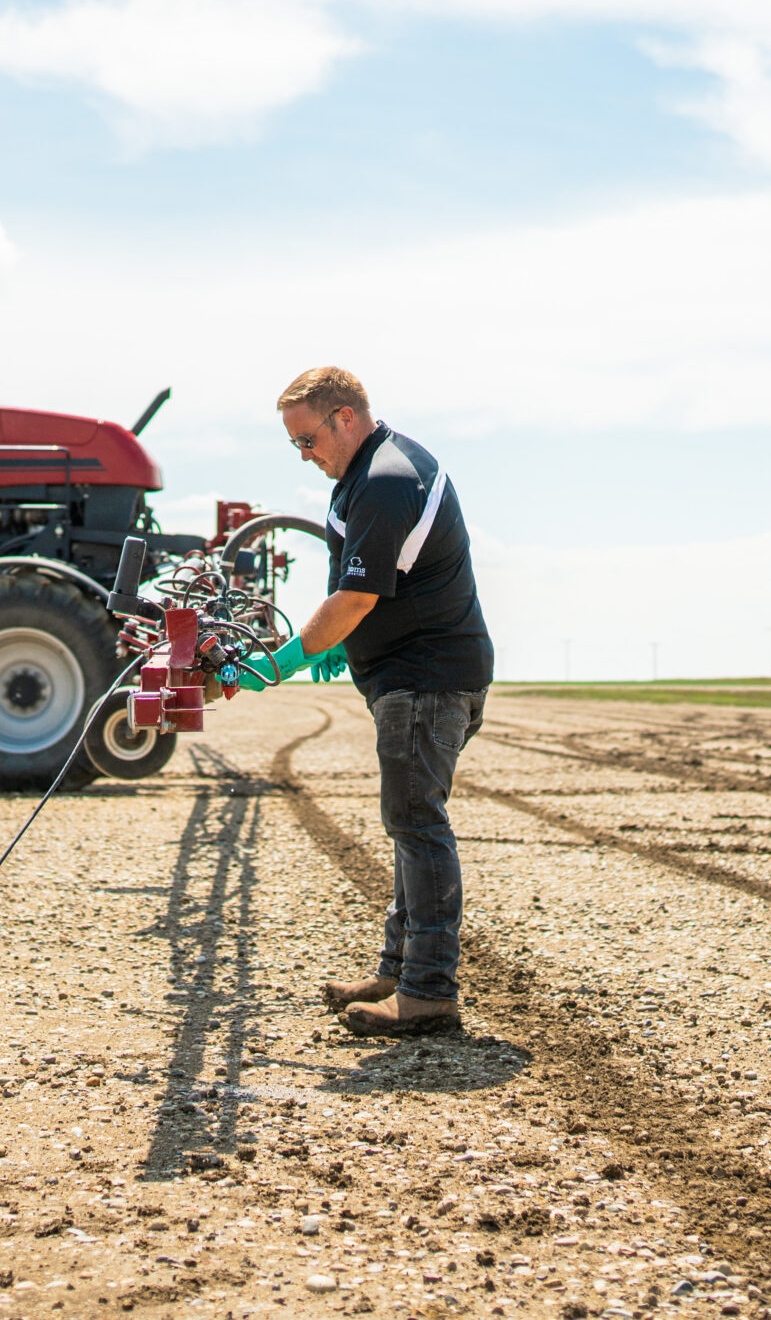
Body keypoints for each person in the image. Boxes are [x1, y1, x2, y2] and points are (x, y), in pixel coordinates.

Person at [272, 366, 494, 1037]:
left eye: (307, 440)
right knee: (407, 820)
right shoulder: (368, 475)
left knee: (415, 820)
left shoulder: (388, 479)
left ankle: (428, 990)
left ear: (345, 417)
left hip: (427, 679)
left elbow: (356, 597)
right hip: (414, 673)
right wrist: (346, 643)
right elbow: (374, 582)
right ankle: (399, 968)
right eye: (295, 446)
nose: (305, 456)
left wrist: (284, 658)